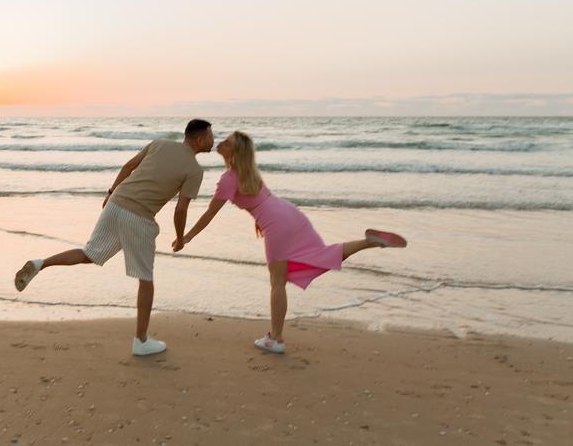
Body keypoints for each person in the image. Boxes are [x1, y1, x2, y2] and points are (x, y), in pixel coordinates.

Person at [173, 130, 407, 354]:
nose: (221, 143)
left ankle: (275, 338)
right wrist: (258, 220)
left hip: (276, 223)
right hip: (289, 213)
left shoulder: (227, 179)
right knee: (320, 254)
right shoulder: (250, 171)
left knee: (277, 282)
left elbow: (209, 214)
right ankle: (369, 242)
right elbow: (261, 199)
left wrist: (187, 236)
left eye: (227, 142)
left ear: (233, 153)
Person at [14, 119, 215, 355]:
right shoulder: (194, 170)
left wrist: (111, 192)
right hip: (138, 218)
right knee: (146, 280)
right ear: (200, 140)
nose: (214, 140)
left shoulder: (159, 144)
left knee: (89, 254)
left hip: (116, 203)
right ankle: (141, 341)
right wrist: (180, 238)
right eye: (211, 136)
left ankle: (41, 263)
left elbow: (128, 166)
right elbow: (180, 210)